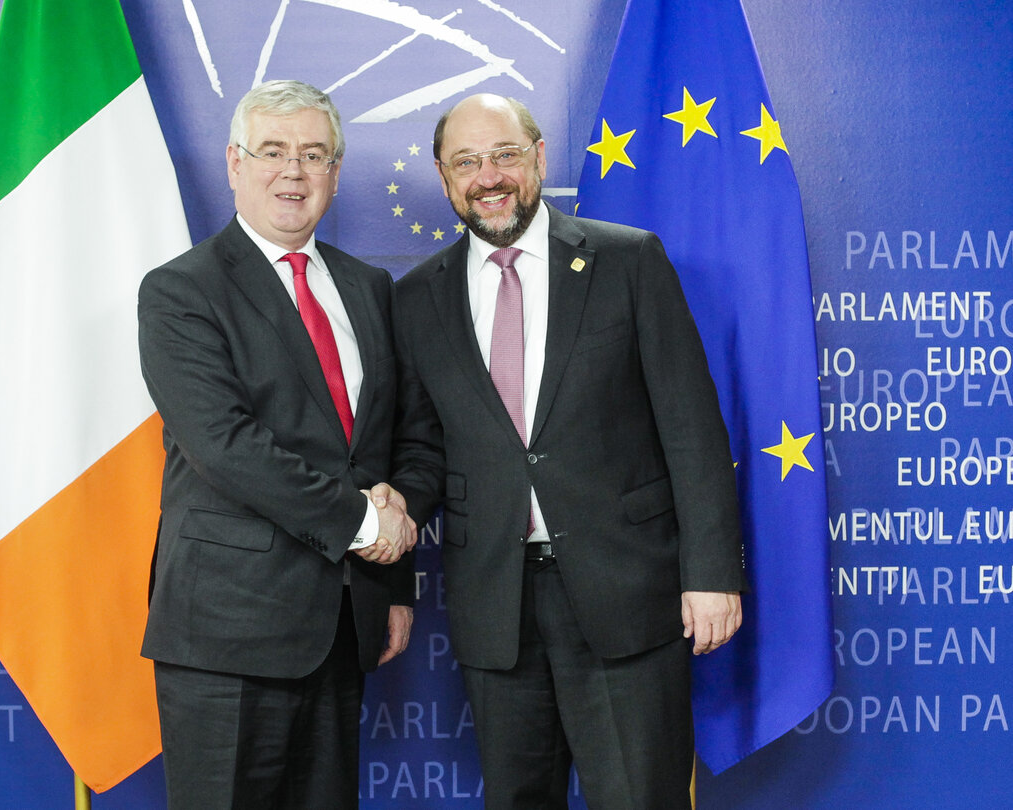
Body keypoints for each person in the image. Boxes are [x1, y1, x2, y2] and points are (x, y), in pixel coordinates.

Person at [390, 93, 746, 809]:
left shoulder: (626, 260)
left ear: (539, 158)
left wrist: (711, 573)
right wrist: (394, 508)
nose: (487, 176)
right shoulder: (415, 297)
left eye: (504, 155)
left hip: (628, 594)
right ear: (442, 176)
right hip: (496, 605)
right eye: (466, 162)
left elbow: (691, 428)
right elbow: (421, 445)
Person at [138, 80, 415, 810]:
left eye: (313, 154)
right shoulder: (181, 291)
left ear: (335, 172)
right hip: (226, 634)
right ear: (234, 163)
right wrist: (366, 529)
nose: (293, 171)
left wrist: (389, 582)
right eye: (272, 151)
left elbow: (389, 447)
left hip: (341, 628)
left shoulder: (369, 288)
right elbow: (225, 446)